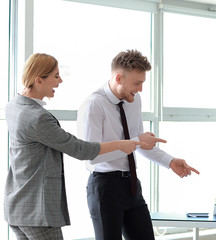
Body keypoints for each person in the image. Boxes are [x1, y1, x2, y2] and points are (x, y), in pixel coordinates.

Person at [4, 53, 145, 240]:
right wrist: (122, 144)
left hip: (17, 206)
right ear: (39, 80)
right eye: (55, 76)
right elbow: (79, 149)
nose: (60, 80)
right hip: (38, 211)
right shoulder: (38, 117)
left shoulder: (14, 106)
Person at [77, 49, 200, 240]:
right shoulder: (94, 104)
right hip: (105, 187)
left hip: (132, 184)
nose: (140, 89)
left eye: (142, 83)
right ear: (119, 78)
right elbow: (91, 157)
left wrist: (170, 161)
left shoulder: (134, 100)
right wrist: (135, 142)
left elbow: (139, 143)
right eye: (137, 83)